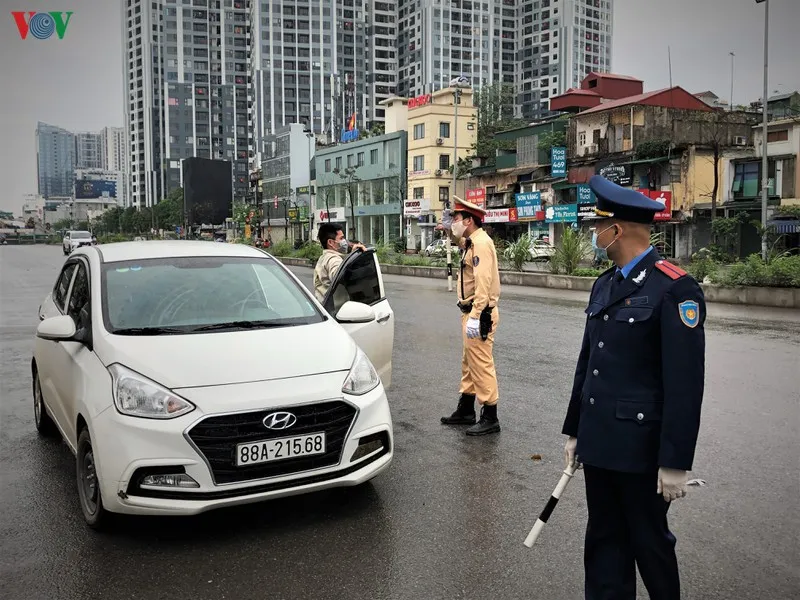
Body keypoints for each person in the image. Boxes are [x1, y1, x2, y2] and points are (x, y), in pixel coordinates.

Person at [562, 175, 706, 600]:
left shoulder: (675, 288)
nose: (594, 234)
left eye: (597, 227)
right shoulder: (604, 284)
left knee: (651, 547)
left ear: (616, 230)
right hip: (602, 443)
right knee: (604, 545)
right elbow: (588, 365)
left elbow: (685, 383)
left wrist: (675, 460)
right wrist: (575, 430)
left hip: (642, 452)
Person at [440, 197, 502, 436]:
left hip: (480, 313)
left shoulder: (481, 244)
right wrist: (448, 227)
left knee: (481, 363)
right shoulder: (471, 241)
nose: (453, 222)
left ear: (468, 220)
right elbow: (456, 239)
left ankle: (490, 415)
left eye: (456, 218)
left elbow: (484, 282)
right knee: (469, 362)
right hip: (470, 312)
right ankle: (466, 409)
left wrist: (476, 315)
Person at [313, 223, 366, 302]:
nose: (344, 241)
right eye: (341, 238)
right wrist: (354, 258)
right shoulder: (333, 260)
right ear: (331, 242)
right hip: (336, 310)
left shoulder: (324, 257)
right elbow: (343, 277)